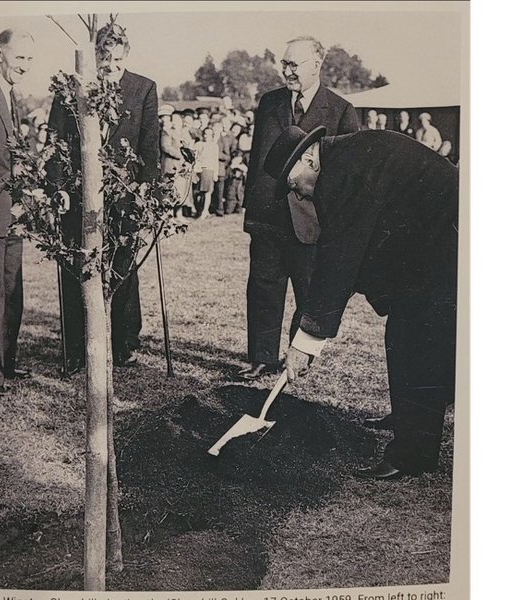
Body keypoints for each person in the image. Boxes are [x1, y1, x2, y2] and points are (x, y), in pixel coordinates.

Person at [264, 125, 458, 480]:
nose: (299, 196)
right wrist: (305, 330)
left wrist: (306, 343)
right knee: (417, 340)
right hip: (430, 248)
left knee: (415, 341)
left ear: (309, 158)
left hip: (447, 246)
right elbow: (339, 261)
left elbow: (340, 261)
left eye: (293, 184)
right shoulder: (342, 159)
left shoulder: (345, 173)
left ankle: (412, 453)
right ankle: (413, 416)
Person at [239, 35, 360, 380]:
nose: (287, 70)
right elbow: (257, 159)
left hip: (311, 222)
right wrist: (252, 212)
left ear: (317, 65)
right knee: (263, 286)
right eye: (285, 63)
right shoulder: (269, 103)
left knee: (308, 290)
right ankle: (261, 357)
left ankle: (298, 356)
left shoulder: (341, 110)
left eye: (294, 64)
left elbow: (346, 175)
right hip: (269, 218)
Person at [46, 23, 159, 372]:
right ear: (94, 54)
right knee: (75, 267)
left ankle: (124, 342)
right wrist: (58, 188)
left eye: (116, 57)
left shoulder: (143, 89)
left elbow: (149, 147)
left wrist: (145, 195)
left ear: (126, 55)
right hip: (78, 196)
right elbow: (56, 142)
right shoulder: (71, 88)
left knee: (122, 267)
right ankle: (76, 349)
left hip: (124, 196)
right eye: (103, 56)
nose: (109, 63)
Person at [0, 29, 35, 396]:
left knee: (12, 291)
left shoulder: (12, 95)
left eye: (30, 59)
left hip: (13, 212)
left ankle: (7, 361)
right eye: (19, 57)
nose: (25, 66)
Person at [193, 127, 219, 218]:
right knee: (198, 192)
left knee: (208, 192)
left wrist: (216, 173)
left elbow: (215, 160)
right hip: (199, 170)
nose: (207, 136)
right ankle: (199, 210)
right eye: (205, 134)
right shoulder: (198, 144)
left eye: (209, 134)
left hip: (209, 170)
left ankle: (204, 211)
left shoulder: (214, 146)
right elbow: (195, 158)